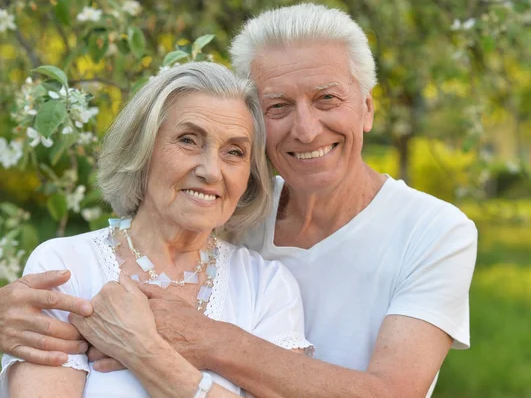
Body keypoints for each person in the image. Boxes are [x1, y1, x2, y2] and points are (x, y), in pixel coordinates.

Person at [0, 3, 477, 398]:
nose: (307, 129)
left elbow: (393, 395)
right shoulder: (228, 214)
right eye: (278, 107)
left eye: (327, 98)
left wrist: (179, 343)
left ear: (368, 108)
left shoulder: (433, 232)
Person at [0, 62, 312, 397]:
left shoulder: (267, 287)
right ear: (143, 149)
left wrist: (142, 349)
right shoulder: (66, 267)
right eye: (188, 140)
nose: (211, 170)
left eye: (234, 152)